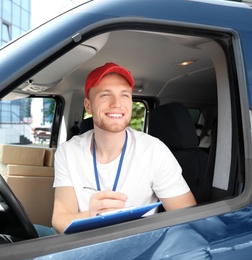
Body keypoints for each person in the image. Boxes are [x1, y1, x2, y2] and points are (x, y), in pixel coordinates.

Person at [52, 62, 197, 234]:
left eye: (125, 95)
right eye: (105, 95)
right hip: (84, 244)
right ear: (88, 105)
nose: (117, 104)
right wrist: (92, 215)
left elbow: (188, 219)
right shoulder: (68, 152)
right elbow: (59, 221)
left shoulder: (154, 151)